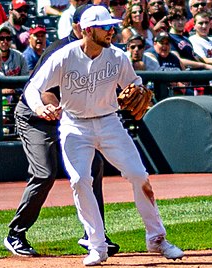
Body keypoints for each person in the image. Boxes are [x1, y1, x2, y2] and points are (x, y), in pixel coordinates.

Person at [20, 5, 184, 266]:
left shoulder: (118, 57)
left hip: (110, 123)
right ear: (87, 30)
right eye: (105, 26)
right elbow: (33, 88)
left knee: (139, 175)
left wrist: (138, 90)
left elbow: (135, 84)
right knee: (79, 179)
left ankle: (157, 239)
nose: (111, 30)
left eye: (112, 26)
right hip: (75, 126)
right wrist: (41, 107)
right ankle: (97, 245)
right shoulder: (64, 56)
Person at [3, 4, 119, 258]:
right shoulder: (61, 50)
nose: (106, 30)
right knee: (45, 173)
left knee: (94, 166)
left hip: (67, 119)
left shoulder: (99, 53)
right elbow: (43, 89)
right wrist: (52, 108)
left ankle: (94, 234)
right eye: (100, 25)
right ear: (79, 27)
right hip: (36, 116)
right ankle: (15, 233)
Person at [143, 31, 192, 97]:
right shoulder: (150, 55)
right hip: (160, 92)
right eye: (162, 43)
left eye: (167, 43)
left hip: (179, 91)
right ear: (154, 44)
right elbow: (157, 76)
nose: (165, 46)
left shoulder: (173, 57)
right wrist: (177, 84)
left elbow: (185, 75)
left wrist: (183, 84)